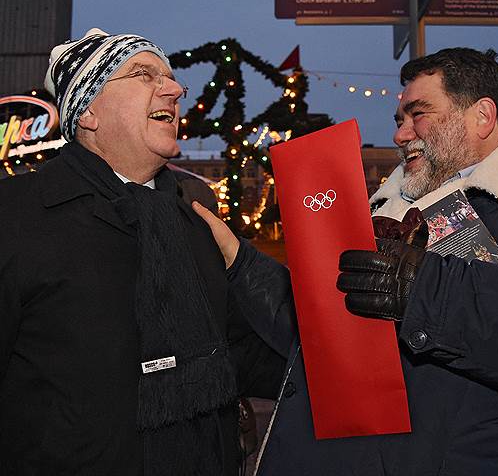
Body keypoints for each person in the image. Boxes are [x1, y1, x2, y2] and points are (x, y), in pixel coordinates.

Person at [196, 47, 498, 476]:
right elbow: (319, 332)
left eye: (418, 114)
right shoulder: (380, 215)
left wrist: (422, 288)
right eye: (399, 122)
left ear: (481, 117)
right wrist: (239, 259)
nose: (402, 136)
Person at [0, 28, 288, 476]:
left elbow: (246, 354)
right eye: (143, 74)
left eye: (171, 79)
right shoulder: (16, 215)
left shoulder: (196, 216)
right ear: (89, 111)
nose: (173, 90)